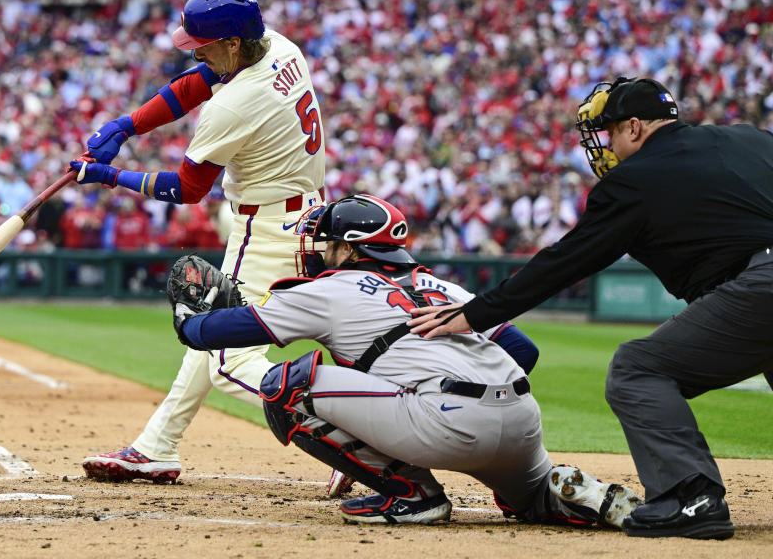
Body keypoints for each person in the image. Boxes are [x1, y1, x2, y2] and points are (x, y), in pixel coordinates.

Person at [407, 77, 773, 540]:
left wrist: (475, 313)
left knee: (637, 369)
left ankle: (690, 497)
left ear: (636, 127)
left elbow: (564, 262)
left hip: (758, 284)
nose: (607, 147)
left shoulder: (634, 180)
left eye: (611, 133)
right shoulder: (750, 137)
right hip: (756, 286)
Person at [169, 194, 641, 527]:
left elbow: (219, 334)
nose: (319, 251)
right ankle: (567, 494)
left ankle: (412, 495)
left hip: (443, 423)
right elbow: (524, 351)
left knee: (286, 385)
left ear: (350, 249)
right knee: (531, 501)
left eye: (328, 243)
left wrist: (189, 320)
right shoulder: (442, 286)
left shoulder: (330, 288)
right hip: (521, 421)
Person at [72, 0, 326, 484]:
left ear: (232, 43)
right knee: (211, 334)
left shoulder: (234, 105)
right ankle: (156, 445)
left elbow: (189, 190)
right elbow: (195, 82)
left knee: (228, 361)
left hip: (268, 229)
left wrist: (111, 178)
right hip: (306, 216)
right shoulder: (276, 45)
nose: (195, 50)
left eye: (203, 43)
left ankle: (348, 425)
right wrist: (128, 126)